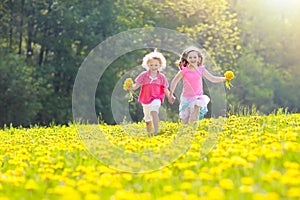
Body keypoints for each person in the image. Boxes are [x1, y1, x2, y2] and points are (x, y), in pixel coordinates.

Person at [169, 46, 226, 124]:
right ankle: (187, 133)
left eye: (194, 57)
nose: (192, 59)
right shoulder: (184, 71)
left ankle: (193, 132)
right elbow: (174, 81)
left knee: (194, 118)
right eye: (190, 57)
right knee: (185, 121)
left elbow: (212, 78)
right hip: (186, 98)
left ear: (199, 59)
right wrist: (171, 94)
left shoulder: (201, 70)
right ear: (186, 59)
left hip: (197, 98)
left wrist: (224, 79)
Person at [130, 49, 171, 135]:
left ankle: (156, 130)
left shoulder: (161, 77)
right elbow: (136, 85)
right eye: (151, 65)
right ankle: (150, 134)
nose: (153, 67)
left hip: (157, 98)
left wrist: (170, 96)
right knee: (148, 119)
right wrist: (131, 87)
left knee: (154, 110)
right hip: (145, 99)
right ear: (148, 65)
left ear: (160, 65)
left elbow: (165, 89)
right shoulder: (144, 75)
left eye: (156, 65)